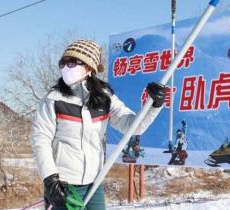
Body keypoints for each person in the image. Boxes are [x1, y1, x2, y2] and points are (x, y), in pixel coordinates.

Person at [30, 39, 166, 210]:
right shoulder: (54, 99)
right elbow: (40, 140)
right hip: (64, 184)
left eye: (72, 62)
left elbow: (133, 126)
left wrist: (154, 105)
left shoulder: (104, 97)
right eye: (63, 63)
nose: (66, 67)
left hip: (94, 182)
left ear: (89, 68)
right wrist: (50, 180)